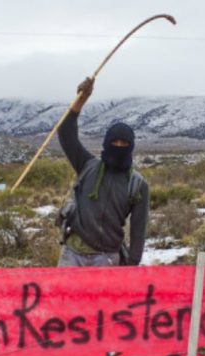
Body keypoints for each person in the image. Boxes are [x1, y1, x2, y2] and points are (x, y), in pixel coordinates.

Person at [56, 77, 149, 267]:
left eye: (124, 143)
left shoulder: (138, 185)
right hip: (72, 254)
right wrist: (82, 99)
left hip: (107, 259)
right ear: (106, 143)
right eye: (115, 142)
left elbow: (139, 229)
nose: (119, 146)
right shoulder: (87, 165)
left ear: (131, 147)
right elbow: (65, 132)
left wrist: (132, 265)